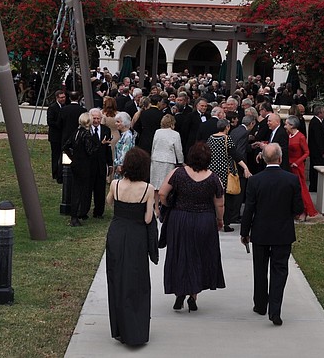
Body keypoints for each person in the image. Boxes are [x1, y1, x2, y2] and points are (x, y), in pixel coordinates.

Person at [240, 143, 304, 326]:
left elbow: (249, 210)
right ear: (280, 159)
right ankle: (274, 310)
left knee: (260, 269)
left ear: (264, 159)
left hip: (260, 232)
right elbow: (298, 208)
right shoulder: (291, 180)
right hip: (282, 232)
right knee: (279, 270)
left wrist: (244, 232)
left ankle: (260, 305)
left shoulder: (255, 181)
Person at [159, 142, 226, 312]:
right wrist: (220, 220)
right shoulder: (213, 178)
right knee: (199, 256)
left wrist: (169, 206)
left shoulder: (178, 173)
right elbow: (219, 204)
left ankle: (179, 291)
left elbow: (162, 193)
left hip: (180, 218)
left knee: (179, 254)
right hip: (204, 220)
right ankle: (193, 295)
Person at [105, 147, 157, 346]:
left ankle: (119, 327)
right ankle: (136, 328)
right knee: (137, 281)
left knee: (117, 279)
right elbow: (147, 218)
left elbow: (109, 202)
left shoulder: (116, 184)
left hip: (117, 233)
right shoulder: (147, 188)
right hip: (136, 236)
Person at [207, 119, 250, 232]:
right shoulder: (227, 139)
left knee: (214, 196)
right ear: (227, 127)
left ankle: (213, 221)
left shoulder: (210, 138)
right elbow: (235, 154)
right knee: (227, 198)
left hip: (212, 171)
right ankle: (225, 223)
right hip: (225, 172)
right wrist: (245, 167)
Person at [64, 112, 100, 227]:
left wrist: (73, 157)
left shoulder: (76, 132)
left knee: (76, 190)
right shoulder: (86, 134)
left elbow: (66, 146)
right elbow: (90, 151)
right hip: (83, 165)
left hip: (76, 164)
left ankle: (74, 215)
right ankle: (75, 216)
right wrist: (99, 144)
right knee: (80, 191)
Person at [285, 115, 321, 222]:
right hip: (289, 164)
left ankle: (305, 211)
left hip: (297, 166)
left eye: (286, 124)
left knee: (301, 189)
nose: (285, 126)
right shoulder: (288, 136)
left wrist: (297, 162)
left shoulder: (300, 137)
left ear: (292, 125)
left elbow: (307, 152)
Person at [150, 114, 184, 216]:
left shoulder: (157, 132)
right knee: (167, 185)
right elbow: (178, 149)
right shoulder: (175, 134)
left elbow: (154, 146)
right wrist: (181, 161)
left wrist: (152, 157)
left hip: (156, 159)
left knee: (156, 185)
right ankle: (165, 207)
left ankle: (156, 208)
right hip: (168, 160)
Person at [89, 108, 113, 219]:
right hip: (89, 164)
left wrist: (110, 164)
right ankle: (84, 209)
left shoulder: (106, 130)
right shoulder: (87, 130)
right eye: (94, 118)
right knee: (88, 188)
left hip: (101, 164)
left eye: (98, 118)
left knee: (100, 189)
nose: (96, 121)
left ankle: (99, 212)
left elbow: (108, 149)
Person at [47, 90, 67, 183]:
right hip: (55, 136)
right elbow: (50, 122)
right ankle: (55, 173)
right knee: (56, 155)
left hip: (63, 136)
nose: (63, 99)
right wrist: (59, 124)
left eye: (64, 97)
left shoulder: (66, 107)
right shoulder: (52, 108)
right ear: (57, 98)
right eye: (61, 97)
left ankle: (62, 172)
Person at [113, 112, 136, 181]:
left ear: (124, 123)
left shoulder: (127, 136)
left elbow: (125, 151)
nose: (116, 124)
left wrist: (120, 165)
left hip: (123, 167)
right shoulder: (124, 134)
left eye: (118, 122)